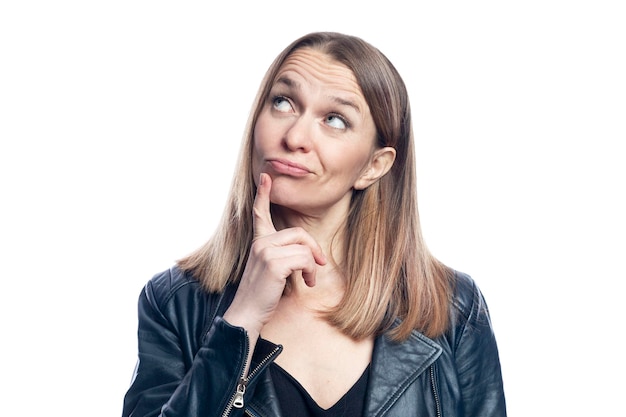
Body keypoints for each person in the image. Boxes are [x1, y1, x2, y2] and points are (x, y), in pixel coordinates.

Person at [122, 31, 507, 417]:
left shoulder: (451, 306)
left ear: (375, 166)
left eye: (335, 120)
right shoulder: (174, 302)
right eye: (283, 102)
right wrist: (240, 322)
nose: (295, 136)